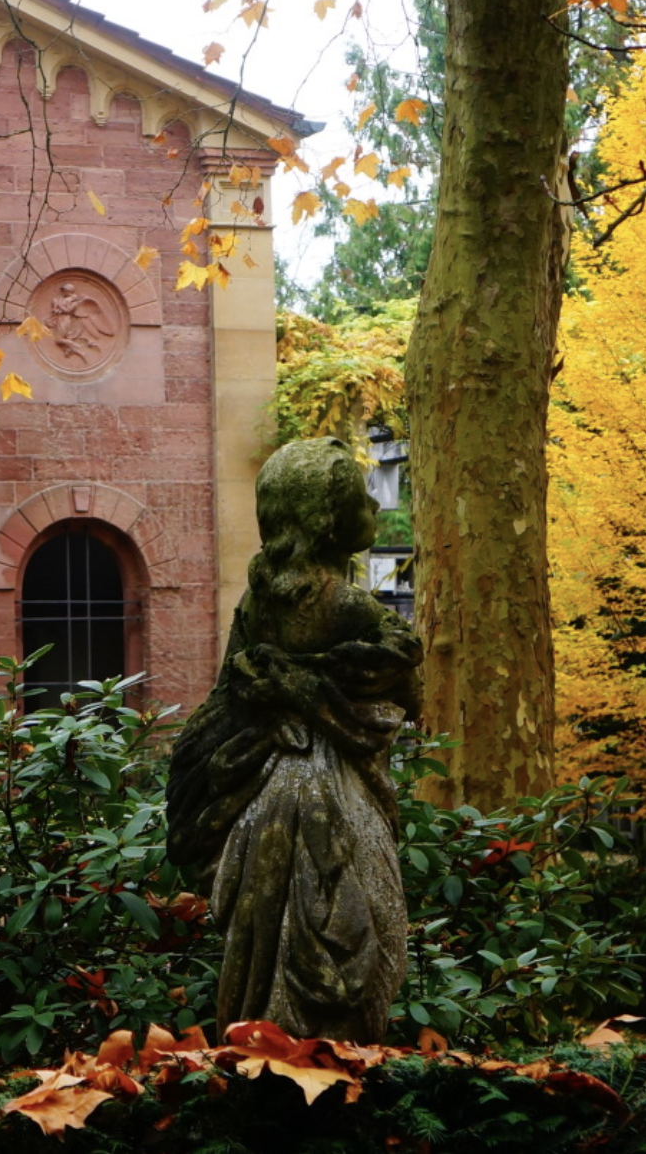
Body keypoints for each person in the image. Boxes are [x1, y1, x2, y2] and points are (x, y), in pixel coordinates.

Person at [167, 436, 418, 1043]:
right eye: (362, 497)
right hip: (328, 786)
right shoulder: (348, 606)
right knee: (350, 913)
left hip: (264, 790)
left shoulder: (259, 603)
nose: (375, 508)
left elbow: (232, 683)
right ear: (328, 520)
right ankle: (332, 1047)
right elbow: (405, 684)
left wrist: (275, 682)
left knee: (269, 923)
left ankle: (264, 1035)